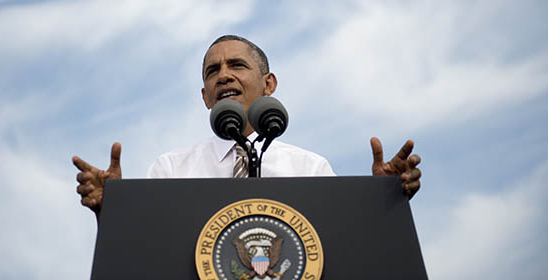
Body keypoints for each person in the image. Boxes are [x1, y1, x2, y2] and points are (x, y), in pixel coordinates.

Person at [72, 35, 422, 219]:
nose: (223, 74)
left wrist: (382, 201)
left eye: (236, 65)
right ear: (206, 97)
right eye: (213, 71)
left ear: (268, 84)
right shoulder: (171, 168)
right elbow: (145, 249)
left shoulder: (310, 168)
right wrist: (112, 211)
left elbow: (339, 243)